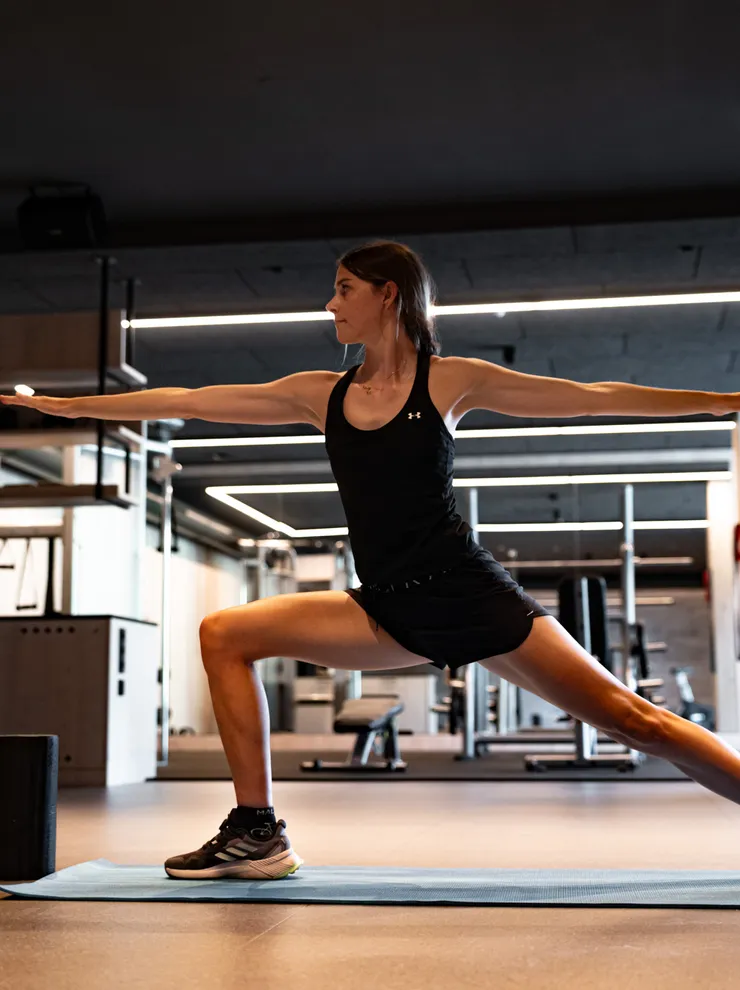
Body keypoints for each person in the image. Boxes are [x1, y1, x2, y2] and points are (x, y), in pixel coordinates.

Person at [5, 239, 740, 881]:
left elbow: (590, 397)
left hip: (468, 593)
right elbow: (194, 400)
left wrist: (720, 401)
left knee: (637, 723)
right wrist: (76, 409)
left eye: (343, 289)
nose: (330, 304)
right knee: (224, 633)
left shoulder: (449, 381)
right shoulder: (318, 394)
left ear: (388, 294)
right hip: (387, 604)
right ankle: (257, 832)